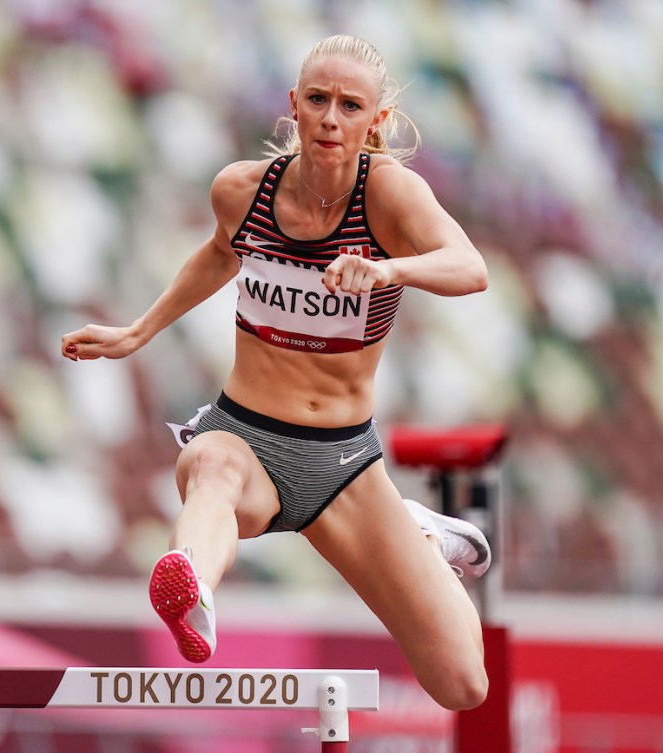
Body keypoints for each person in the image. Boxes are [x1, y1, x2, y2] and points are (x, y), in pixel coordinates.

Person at [61, 34, 490, 711]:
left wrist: (388, 268)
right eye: (317, 99)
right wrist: (137, 331)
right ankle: (192, 589)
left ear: (374, 122)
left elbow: (470, 268)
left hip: (342, 460)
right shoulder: (243, 190)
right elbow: (218, 253)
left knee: (463, 685)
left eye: (350, 106)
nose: (330, 117)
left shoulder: (391, 198)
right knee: (211, 469)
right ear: (293, 105)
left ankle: (423, 539)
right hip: (246, 435)